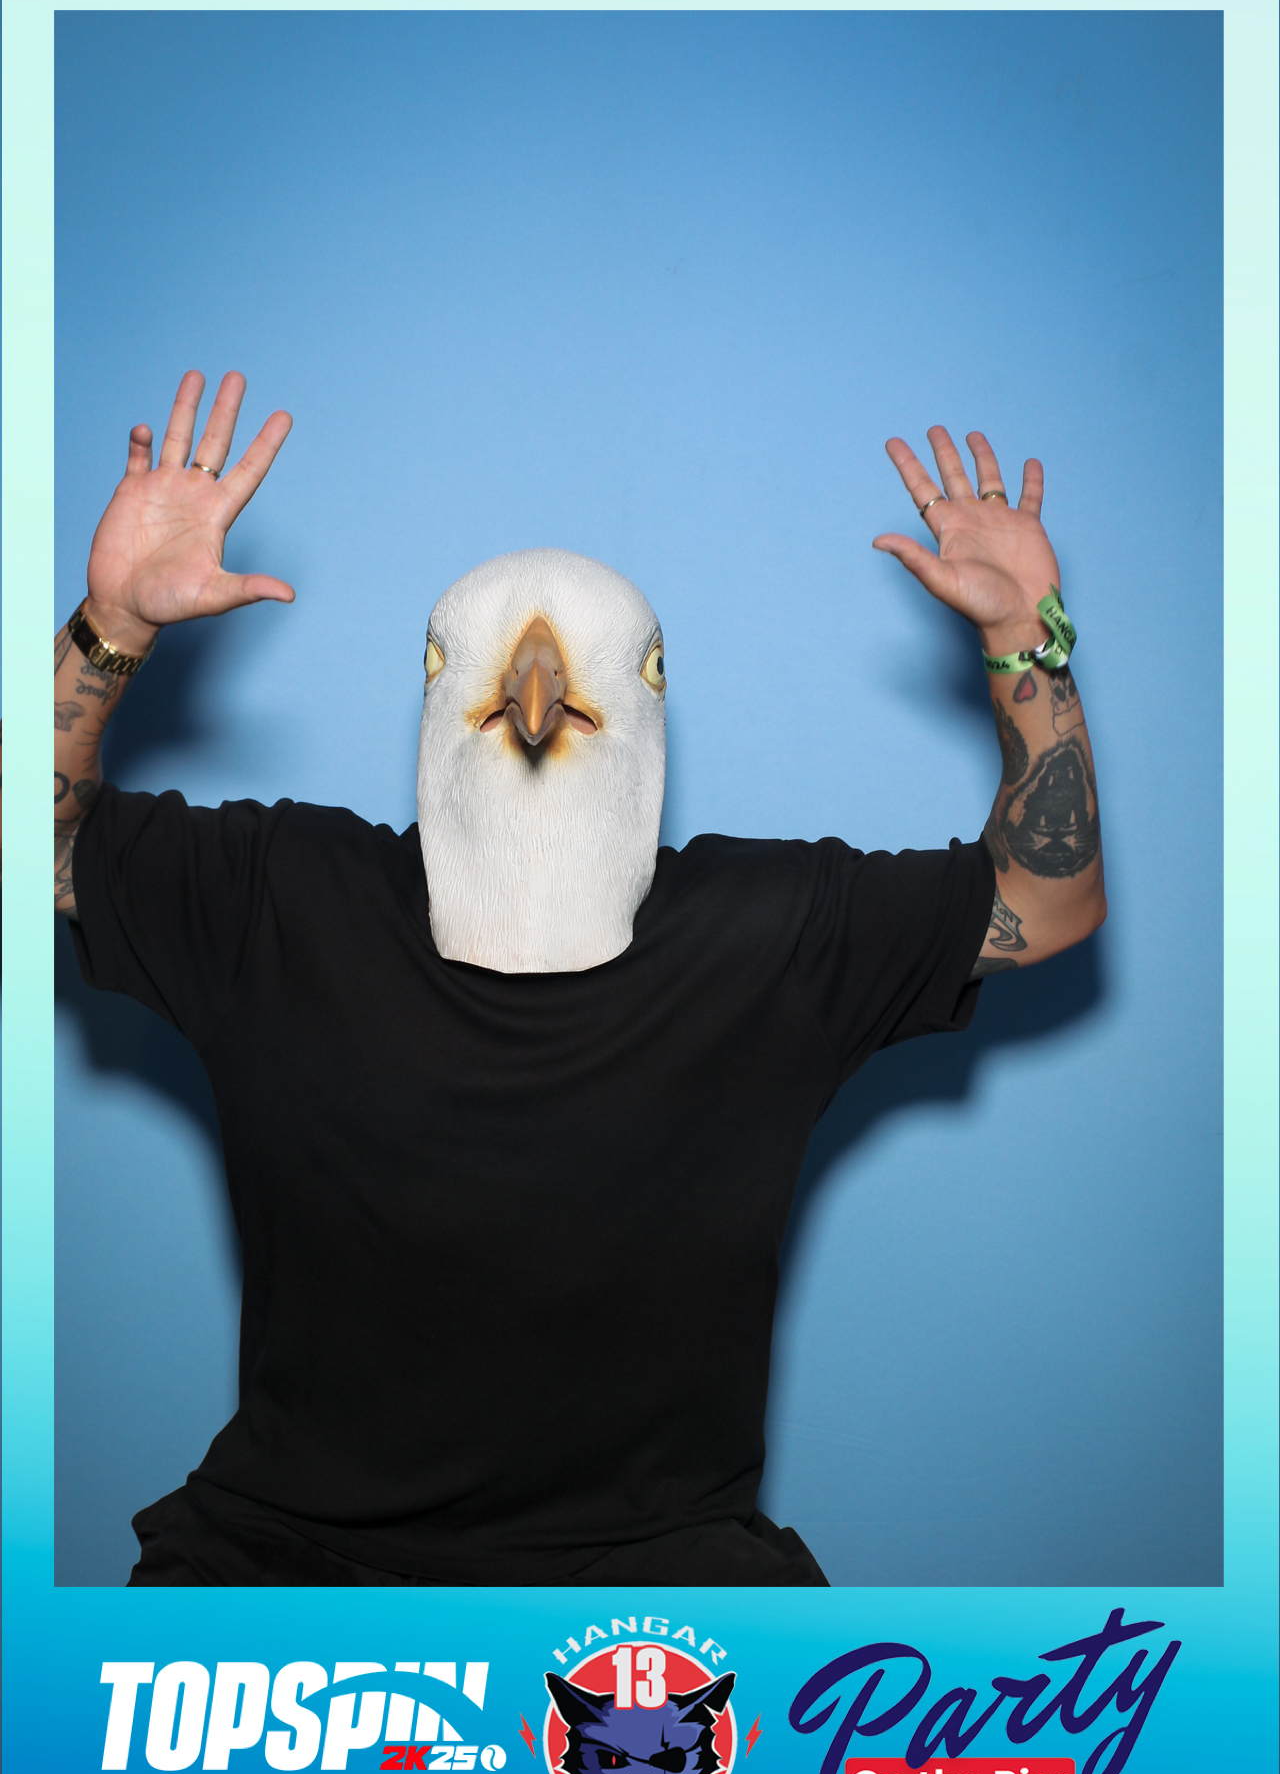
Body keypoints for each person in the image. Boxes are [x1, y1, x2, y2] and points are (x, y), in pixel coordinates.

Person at [49, 370, 1104, 1586]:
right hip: (282, 1561)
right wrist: (111, 623)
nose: (536, 679)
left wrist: (1024, 637)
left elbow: (1048, 900)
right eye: (475, 654)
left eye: (612, 665)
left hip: (666, 1576)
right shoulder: (279, 896)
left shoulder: (770, 930)